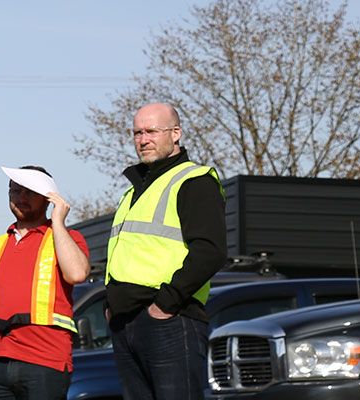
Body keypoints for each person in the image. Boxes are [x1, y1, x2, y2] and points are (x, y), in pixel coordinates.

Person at [106, 103, 225, 400]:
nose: (143, 139)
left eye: (151, 131)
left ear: (176, 134)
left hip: (169, 320)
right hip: (126, 324)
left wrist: (165, 304)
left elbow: (210, 251)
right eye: (137, 133)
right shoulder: (134, 191)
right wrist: (112, 307)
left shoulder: (194, 180)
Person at [0, 166, 91, 400]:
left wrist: (58, 222)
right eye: (15, 191)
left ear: (48, 198)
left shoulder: (66, 239)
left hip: (45, 362)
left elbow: (76, 274)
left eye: (29, 192)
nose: (21, 198)